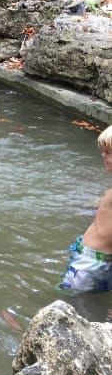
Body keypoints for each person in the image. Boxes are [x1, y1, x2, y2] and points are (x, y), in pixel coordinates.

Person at [59, 125, 112, 292]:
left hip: (91, 262)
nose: (103, 155)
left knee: (66, 300)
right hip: (99, 260)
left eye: (108, 152)